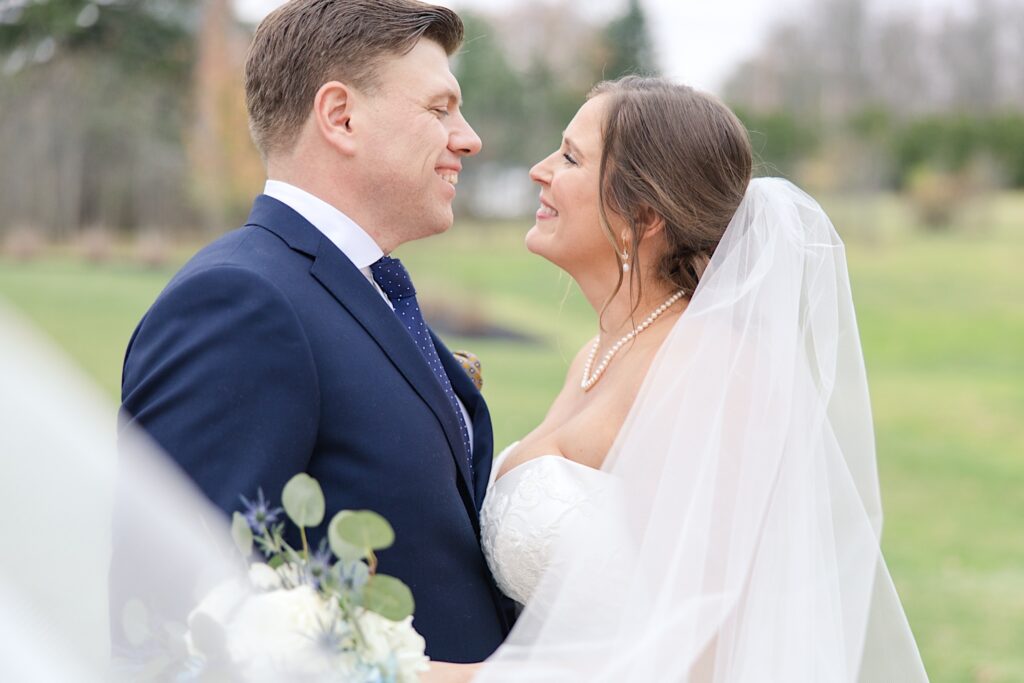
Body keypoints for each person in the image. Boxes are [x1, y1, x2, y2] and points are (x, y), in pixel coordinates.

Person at [465, 77, 928, 680]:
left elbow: (702, 648)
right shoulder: (595, 356)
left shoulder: (707, 366)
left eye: (571, 156)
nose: (538, 170)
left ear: (644, 214)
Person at [118, 0, 514, 664]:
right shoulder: (240, 303)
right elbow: (166, 622)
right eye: (440, 108)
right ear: (340, 116)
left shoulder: (364, 288)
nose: (468, 137)